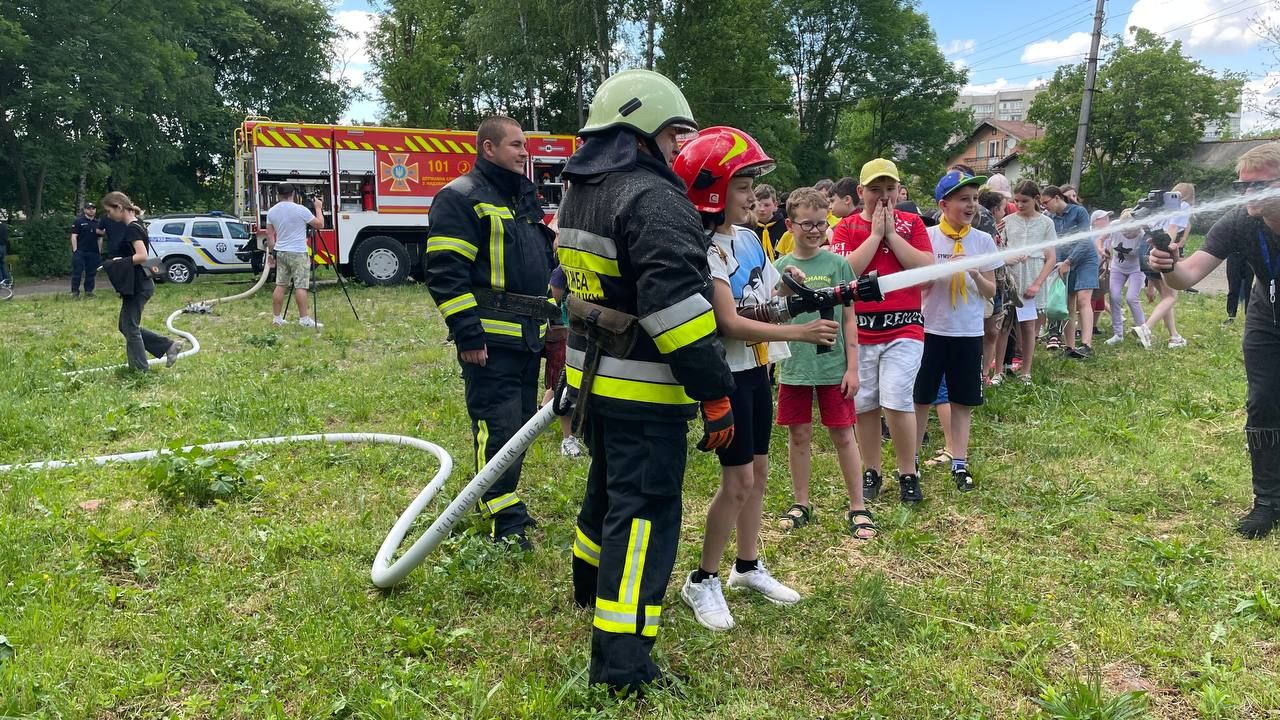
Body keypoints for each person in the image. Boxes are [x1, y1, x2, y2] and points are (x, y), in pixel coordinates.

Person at [556, 70, 735, 692]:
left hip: (595, 381)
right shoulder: (654, 198)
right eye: (675, 134)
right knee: (642, 518)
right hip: (646, 392)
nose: (679, 148)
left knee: (605, 493)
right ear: (644, 129)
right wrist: (714, 391)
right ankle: (623, 666)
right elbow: (677, 313)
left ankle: (587, 589)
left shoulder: (580, 192)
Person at [675, 126, 838, 632]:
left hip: (760, 369)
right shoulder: (707, 249)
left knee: (759, 474)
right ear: (714, 190)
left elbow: (766, 296)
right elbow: (728, 322)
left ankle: (747, 567)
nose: (752, 196)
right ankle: (702, 579)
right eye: (743, 186)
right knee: (738, 479)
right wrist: (805, 331)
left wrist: (800, 290)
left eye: (751, 186)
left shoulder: (749, 240)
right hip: (728, 373)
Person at [425, 116, 555, 550]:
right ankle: (501, 512)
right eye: (516, 144)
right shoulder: (461, 199)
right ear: (488, 149)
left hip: (526, 336)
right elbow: (445, 273)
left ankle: (504, 498)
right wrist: (468, 334)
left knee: (517, 424)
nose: (524, 152)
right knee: (496, 426)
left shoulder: (521, 200)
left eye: (525, 145)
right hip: (490, 338)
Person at [1147, 143, 1280, 538]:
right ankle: (1267, 502)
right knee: (1262, 404)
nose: (1246, 195)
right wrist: (1168, 265)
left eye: (1259, 186)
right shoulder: (1240, 220)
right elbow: (1188, 277)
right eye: (1240, 187)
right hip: (1266, 319)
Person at [831, 158, 934, 503]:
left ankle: (908, 472)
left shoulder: (912, 224)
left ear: (900, 190)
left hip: (904, 327)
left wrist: (891, 234)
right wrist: (875, 235)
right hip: (860, 332)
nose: (884, 197)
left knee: (897, 396)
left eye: (890, 189)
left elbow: (926, 271)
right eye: (876, 190)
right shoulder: (846, 228)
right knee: (864, 403)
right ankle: (871, 470)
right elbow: (845, 273)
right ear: (861, 193)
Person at [772, 187, 872, 540]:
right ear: (789, 225)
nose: (814, 231)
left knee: (844, 435)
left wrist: (853, 367)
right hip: (795, 368)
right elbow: (772, 316)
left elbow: (849, 318)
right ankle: (801, 503)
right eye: (806, 224)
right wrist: (784, 287)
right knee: (798, 435)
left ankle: (858, 505)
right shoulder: (780, 268)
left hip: (833, 367)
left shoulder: (838, 265)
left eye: (820, 224)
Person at [914, 170, 1002, 493]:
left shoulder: (983, 241)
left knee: (962, 399)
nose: (971, 205)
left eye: (975, 199)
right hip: (931, 330)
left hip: (967, 332)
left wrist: (976, 274)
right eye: (964, 199)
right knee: (921, 396)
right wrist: (937, 273)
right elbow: (917, 285)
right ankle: (911, 462)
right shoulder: (926, 237)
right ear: (943, 204)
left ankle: (959, 461)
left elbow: (991, 291)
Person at [98, 192, 181, 371]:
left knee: (130, 327)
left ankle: (140, 370)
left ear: (119, 207)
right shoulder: (137, 224)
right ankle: (166, 346)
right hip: (138, 283)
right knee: (126, 326)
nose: (108, 215)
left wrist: (116, 262)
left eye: (108, 211)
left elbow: (142, 256)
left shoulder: (132, 228)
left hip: (138, 285)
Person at [1002, 180, 1057, 384]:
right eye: (1016, 201)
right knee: (1005, 325)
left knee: (1028, 326)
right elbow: (1001, 246)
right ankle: (999, 369)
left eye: (1024, 201)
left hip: (1033, 275)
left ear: (1035, 199)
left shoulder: (1046, 223)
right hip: (1011, 276)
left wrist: (1037, 283)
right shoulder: (1008, 221)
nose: (1019, 205)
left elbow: (1051, 257)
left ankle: (1026, 371)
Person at [1133, 183, 1193, 349]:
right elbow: (1173, 227)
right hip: (1160, 248)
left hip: (1145, 248)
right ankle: (1146, 328)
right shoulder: (1184, 205)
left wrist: (1150, 284)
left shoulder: (1161, 204)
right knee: (1171, 297)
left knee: (1166, 297)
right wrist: (1167, 247)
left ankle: (1174, 336)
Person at [1042, 185, 1094, 356]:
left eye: (1046, 202)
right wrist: (1058, 263)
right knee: (1068, 303)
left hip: (1085, 259)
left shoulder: (1079, 212)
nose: (1044, 206)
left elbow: (1085, 240)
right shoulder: (1051, 219)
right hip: (1064, 263)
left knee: (1083, 299)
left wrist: (1069, 261)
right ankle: (1070, 347)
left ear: (1057, 198)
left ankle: (1086, 345)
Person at [265, 183, 324, 328]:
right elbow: (319, 224)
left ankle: (277, 319)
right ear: (293, 194)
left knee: (280, 285)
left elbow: (270, 236)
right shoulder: (301, 210)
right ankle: (304, 319)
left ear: (278, 195)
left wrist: (272, 254)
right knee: (301, 286)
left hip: (281, 251)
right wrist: (318, 208)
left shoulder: (272, 212)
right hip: (298, 252)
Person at [978, 190, 1015, 385]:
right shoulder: (983, 217)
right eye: (1003, 208)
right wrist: (1006, 258)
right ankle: (977, 372)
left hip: (998, 282)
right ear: (995, 209)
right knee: (983, 330)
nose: (1005, 212)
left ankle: (984, 374)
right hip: (982, 281)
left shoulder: (994, 226)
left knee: (993, 330)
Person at [1103, 210, 1147, 345]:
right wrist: (1103, 251)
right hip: (1117, 267)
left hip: (1136, 269)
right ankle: (1118, 334)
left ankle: (1144, 333)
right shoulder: (1115, 226)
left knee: (1131, 298)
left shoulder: (1142, 236)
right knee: (1114, 297)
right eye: (1125, 229)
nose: (1128, 233)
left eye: (1132, 230)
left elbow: (1145, 259)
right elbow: (1101, 239)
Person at [70, 202, 102, 298]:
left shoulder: (98, 223)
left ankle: (89, 291)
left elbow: (100, 238)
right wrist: (75, 250)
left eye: (93, 208)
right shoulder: (79, 221)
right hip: (81, 251)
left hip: (93, 252)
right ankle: (75, 292)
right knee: (77, 272)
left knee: (91, 273)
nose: (91, 210)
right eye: (89, 208)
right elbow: (74, 236)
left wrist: (99, 251)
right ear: (85, 210)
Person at [751, 184, 786, 261]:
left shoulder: (785, 226)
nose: (762, 209)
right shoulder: (748, 228)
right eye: (759, 205)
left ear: (775, 205)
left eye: (767, 205)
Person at [1224, 250, 1252, 324]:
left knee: (1248, 288)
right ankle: (1231, 315)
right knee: (1233, 287)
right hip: (1233, 254)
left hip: (1249, 255)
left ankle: (1249, 316)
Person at [0, 212, 10, 288]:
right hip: (3, 247)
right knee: (3, 263)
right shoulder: (4, 227)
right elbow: (7, 238)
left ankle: (1, 280)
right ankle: (7, 279)